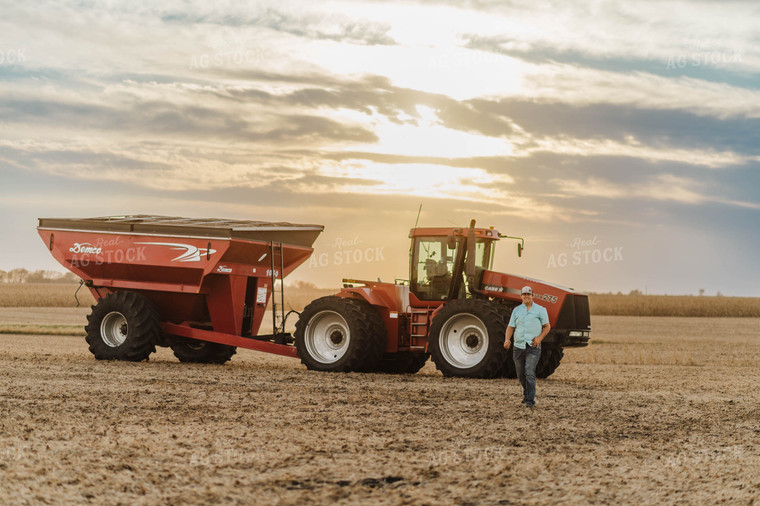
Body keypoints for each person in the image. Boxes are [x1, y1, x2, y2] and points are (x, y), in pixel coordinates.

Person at [504, 286, 551, 408]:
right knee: (520, 374)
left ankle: (530, 400)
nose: (526, 296)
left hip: (533, 346)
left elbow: (547, 326)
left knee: (529, 372)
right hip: (518, 346)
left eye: (528, 294)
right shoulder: (516, 311)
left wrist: (539, 338)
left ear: (532, 296)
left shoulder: (541, 310)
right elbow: (511, 327)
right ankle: (527, 393)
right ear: (521, 296)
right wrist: (507, 339)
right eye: (524, 294)